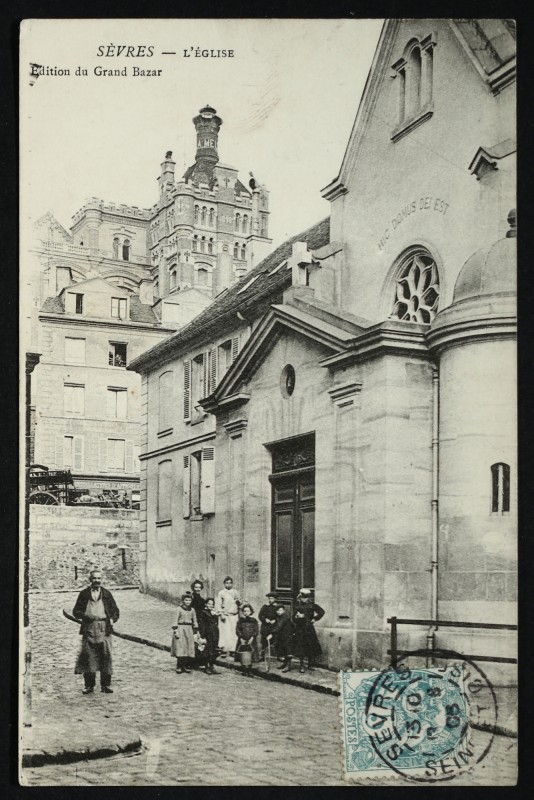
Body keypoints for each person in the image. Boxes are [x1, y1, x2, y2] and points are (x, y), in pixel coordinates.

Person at [73, 568, 120, 694]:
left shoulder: (106, 594)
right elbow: (75, 612)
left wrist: (112, 619)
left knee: (106, 656)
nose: (97, 581)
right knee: (89, 657)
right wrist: (85, 616)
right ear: (90, 580)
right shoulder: (84, 594)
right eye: (94, 578)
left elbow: (116, 611)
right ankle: (89, 686)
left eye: (99, 578)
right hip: (89, 629)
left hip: (104, 629)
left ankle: (106, 685)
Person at [293, 588, 325, 673]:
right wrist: (297, 617)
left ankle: (310, 664)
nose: (304, 599)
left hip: (309, 629)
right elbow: (293, 618)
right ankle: (301, 665)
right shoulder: (297, 606)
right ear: (300, 597)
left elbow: (321, 612)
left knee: (311, 646)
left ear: (308, 598)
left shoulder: (312, 605)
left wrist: (315, 619)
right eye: (303, 598)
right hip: (300, 629)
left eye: (306, 598)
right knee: (301, 648)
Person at [171, 592, 199, 674]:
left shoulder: (192, 610)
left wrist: (195, 632)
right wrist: (175, 630)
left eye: (189, 600)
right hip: (180, 628)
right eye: (186, 600)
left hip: (189, 629)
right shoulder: (178, 609)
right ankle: (179, 665)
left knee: (188, 647)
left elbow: (195, 621)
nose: (188, 602)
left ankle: (185, 666)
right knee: (180, 647)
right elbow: (175, 620)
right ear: (183, 600)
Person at [215, 576, 240, 657]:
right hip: (224, 615)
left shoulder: (235, 592)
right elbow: (218, 604)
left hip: (233, 616)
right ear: (224, 584)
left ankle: (232, 650)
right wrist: (221, 614)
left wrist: (238, 602)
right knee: (224, 633)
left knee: (233, 633)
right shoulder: (221, 593)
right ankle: (224, 650)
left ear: (232, 584)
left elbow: (239, 603)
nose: (228, 585)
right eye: (227, 583)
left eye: (230, 583)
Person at [197, 597, 220, 675]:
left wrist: (215, 615)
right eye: (209, 604)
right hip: (208, 633)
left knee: (214, 650)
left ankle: (212, 666)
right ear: (206, 604)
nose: (210, 605)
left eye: (212, 604)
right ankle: (206, 666)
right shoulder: (203, 613)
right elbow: (202, 625)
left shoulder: (214, 613)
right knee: (208, 650)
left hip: (215, 633)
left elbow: (216, 623)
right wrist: (203, 635)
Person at [235, 603, 259, 677]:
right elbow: (238, 630)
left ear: (251, 612)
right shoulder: (241, 621)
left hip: (251, 640)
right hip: (242, 640)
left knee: (250, 655)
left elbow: (256, 630)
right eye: (244, 611)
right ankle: (244, 670)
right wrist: (241, 638)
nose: (246, 613)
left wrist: (252, 637)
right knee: (243, 655)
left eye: (248, 611)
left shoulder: (254, 621)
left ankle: (250, 670)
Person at [273, 603, 295, 672]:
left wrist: (272, 632)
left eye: (281, 610)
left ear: (284, 610)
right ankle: (285, 664)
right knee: (285, 651)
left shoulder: (285, 617)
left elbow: (279, 627)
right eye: (277, 610)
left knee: (288, 651)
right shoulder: (279, 617)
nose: (279, 612)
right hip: (283, 636)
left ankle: (288, 667)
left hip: (287, 636)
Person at [190, 579, 207, 669]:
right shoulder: (190, 599)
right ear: (193, 588)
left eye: (199, 587)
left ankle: (198, 661)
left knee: (199, 641)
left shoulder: (202, 600)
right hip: (192, 622)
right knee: (192, 641)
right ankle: (192, 662)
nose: (198, 589)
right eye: (196, 587)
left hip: (200, 622)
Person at [258, 592, 279, 657]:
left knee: (275, 640)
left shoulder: (278, 607)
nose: (270, 600)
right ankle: (263, 655)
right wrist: (265, 619)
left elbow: (280, 616)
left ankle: (275, 655)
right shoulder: (265, 606)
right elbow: (260, 615)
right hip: (265, 626)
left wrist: (275, 620)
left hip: (274, 626)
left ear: (275, 599)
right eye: (269, 598)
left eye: (272, 598)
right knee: (264, 641)